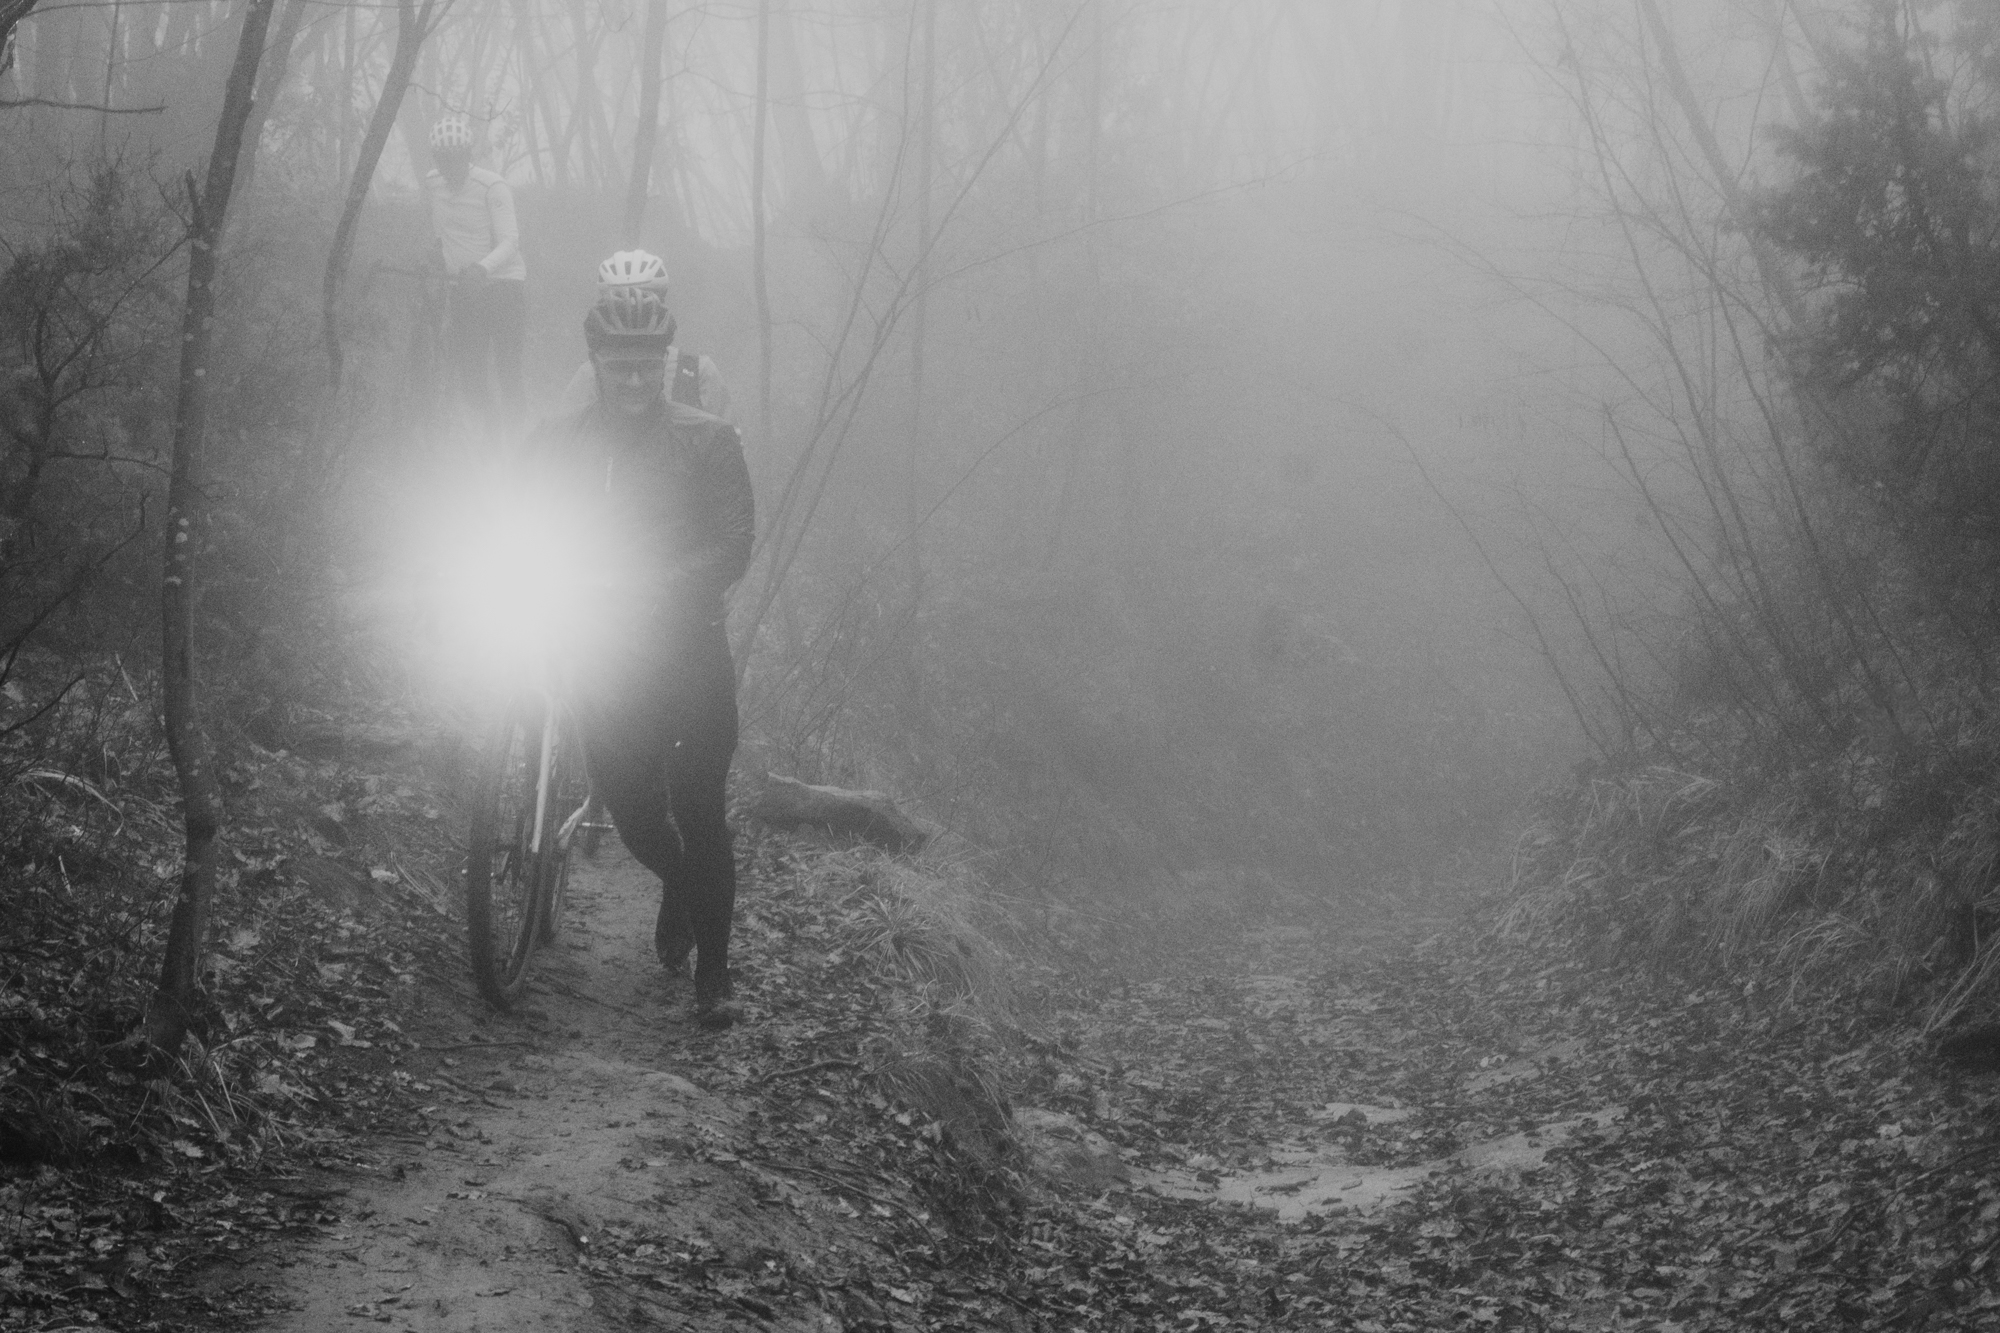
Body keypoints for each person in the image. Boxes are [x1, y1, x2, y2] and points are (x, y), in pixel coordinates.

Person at [525, 276, 753, 1029]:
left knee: (699, 807)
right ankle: (682, 885)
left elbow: (733, 543)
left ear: (665, 363)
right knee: (632, 813)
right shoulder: (561, 439)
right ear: (595, 363)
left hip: (689, 652)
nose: (633, 379)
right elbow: (519, 512)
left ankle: (714, 975)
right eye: (618, 364)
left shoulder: (708, 439)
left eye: (646, 364)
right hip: (609, 656)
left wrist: (656, 585)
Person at [424, 115, 526, 416]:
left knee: (508, 368)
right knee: (471, 372)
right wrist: (435, 256)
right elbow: (439, 229)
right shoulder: (433, 184)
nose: (450, 168)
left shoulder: (492, 186)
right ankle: (489, 430)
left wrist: (481, 269)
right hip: (464, 289)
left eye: (456, 159)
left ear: (467, 155)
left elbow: (510, 241)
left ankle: (520, 431)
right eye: (443, 160)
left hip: (504, 286)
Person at [555, 250, 733, 423]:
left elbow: (724, 438)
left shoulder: (698, 372)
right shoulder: (589, 374)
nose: (633, 307)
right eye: (621, 301)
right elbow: (564, 433)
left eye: (645, 301)